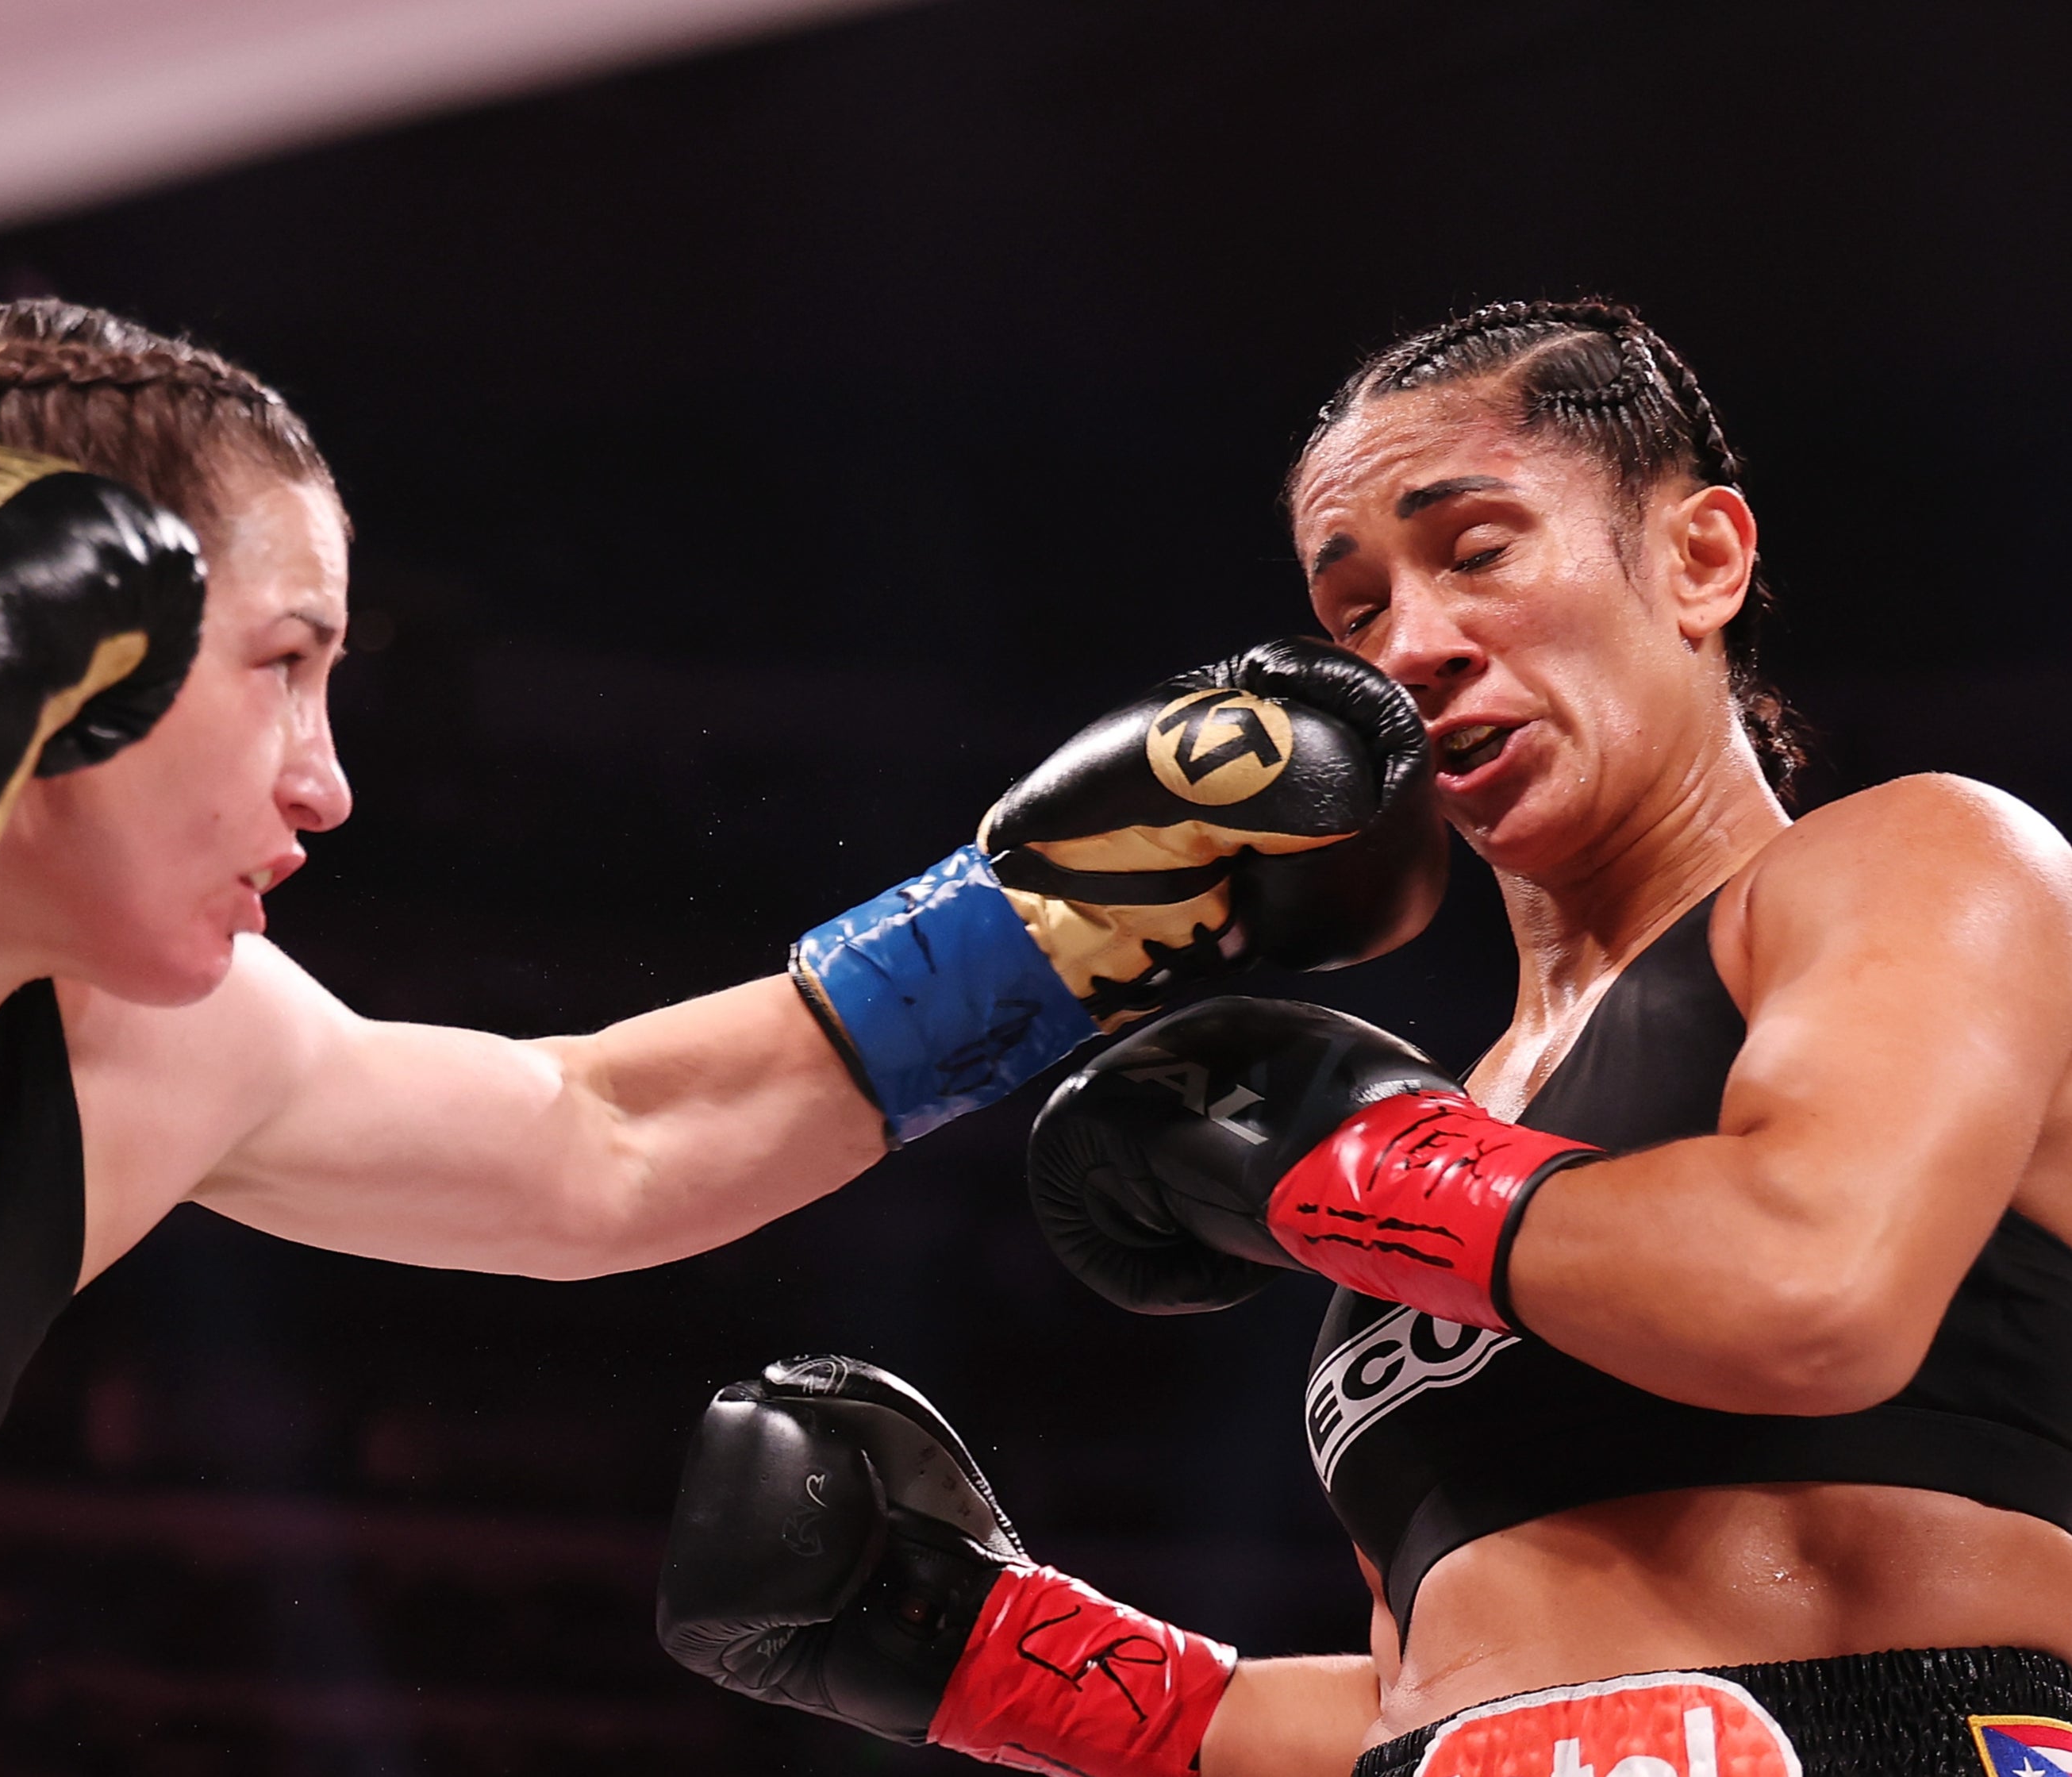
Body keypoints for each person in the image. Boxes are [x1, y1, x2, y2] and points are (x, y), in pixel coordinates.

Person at [0, 295, 1443, 1774]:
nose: (325, 783)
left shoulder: (132, 1045)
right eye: (284, 668)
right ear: (57, 656)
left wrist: (1050, 933)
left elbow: (596, 1145)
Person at [656, 299, 2072, 1777]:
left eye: (1477, 551)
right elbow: (1445, 1695)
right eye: (1352, 614)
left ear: (1697, 557)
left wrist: (1349, 1155)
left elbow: (1810, 1289)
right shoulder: (1448, 1128)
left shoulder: (1916, 863)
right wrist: (991, 1654)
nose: (1413, 645)